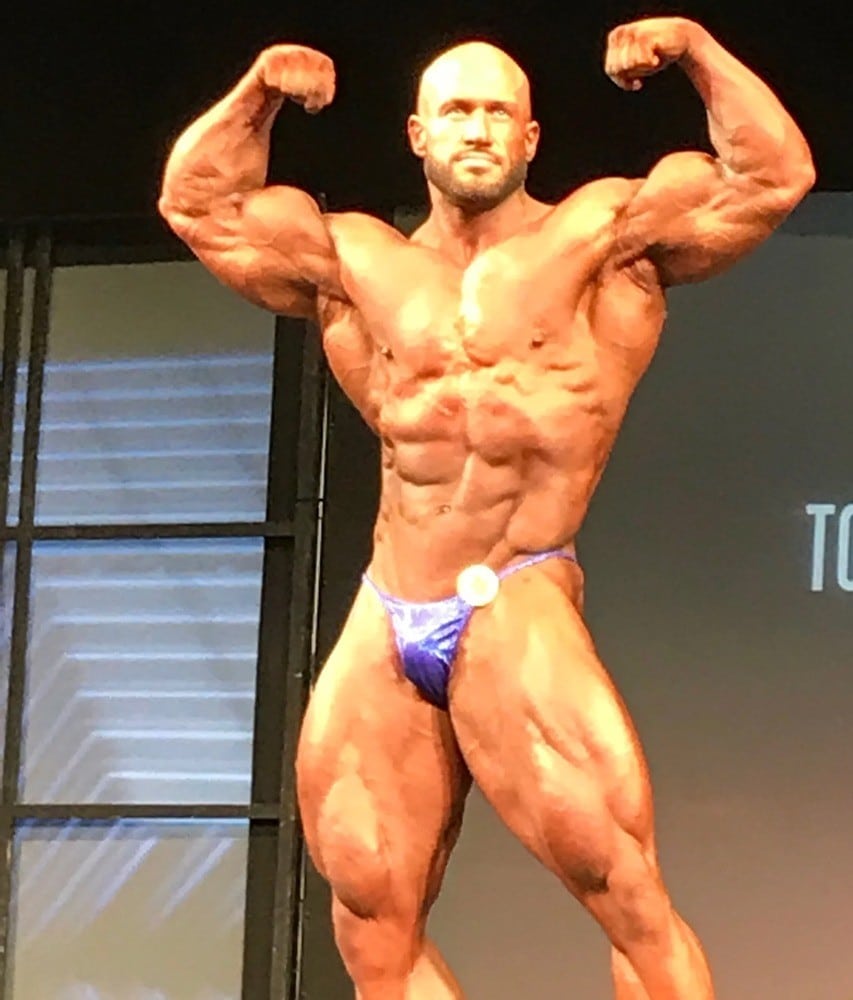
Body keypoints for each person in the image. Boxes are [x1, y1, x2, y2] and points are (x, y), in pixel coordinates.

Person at [159, 16, 814, 999]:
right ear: (417, 134)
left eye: (499, 112)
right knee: (371, 919)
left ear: (531, 137)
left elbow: (768, 177)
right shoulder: (354, 260)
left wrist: (693, 49)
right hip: (388, 608)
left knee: (624, 893)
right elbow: (199, 204)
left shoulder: (602, 237)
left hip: (513, 591)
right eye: (457, 110)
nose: (477, 128)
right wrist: (257, 91)